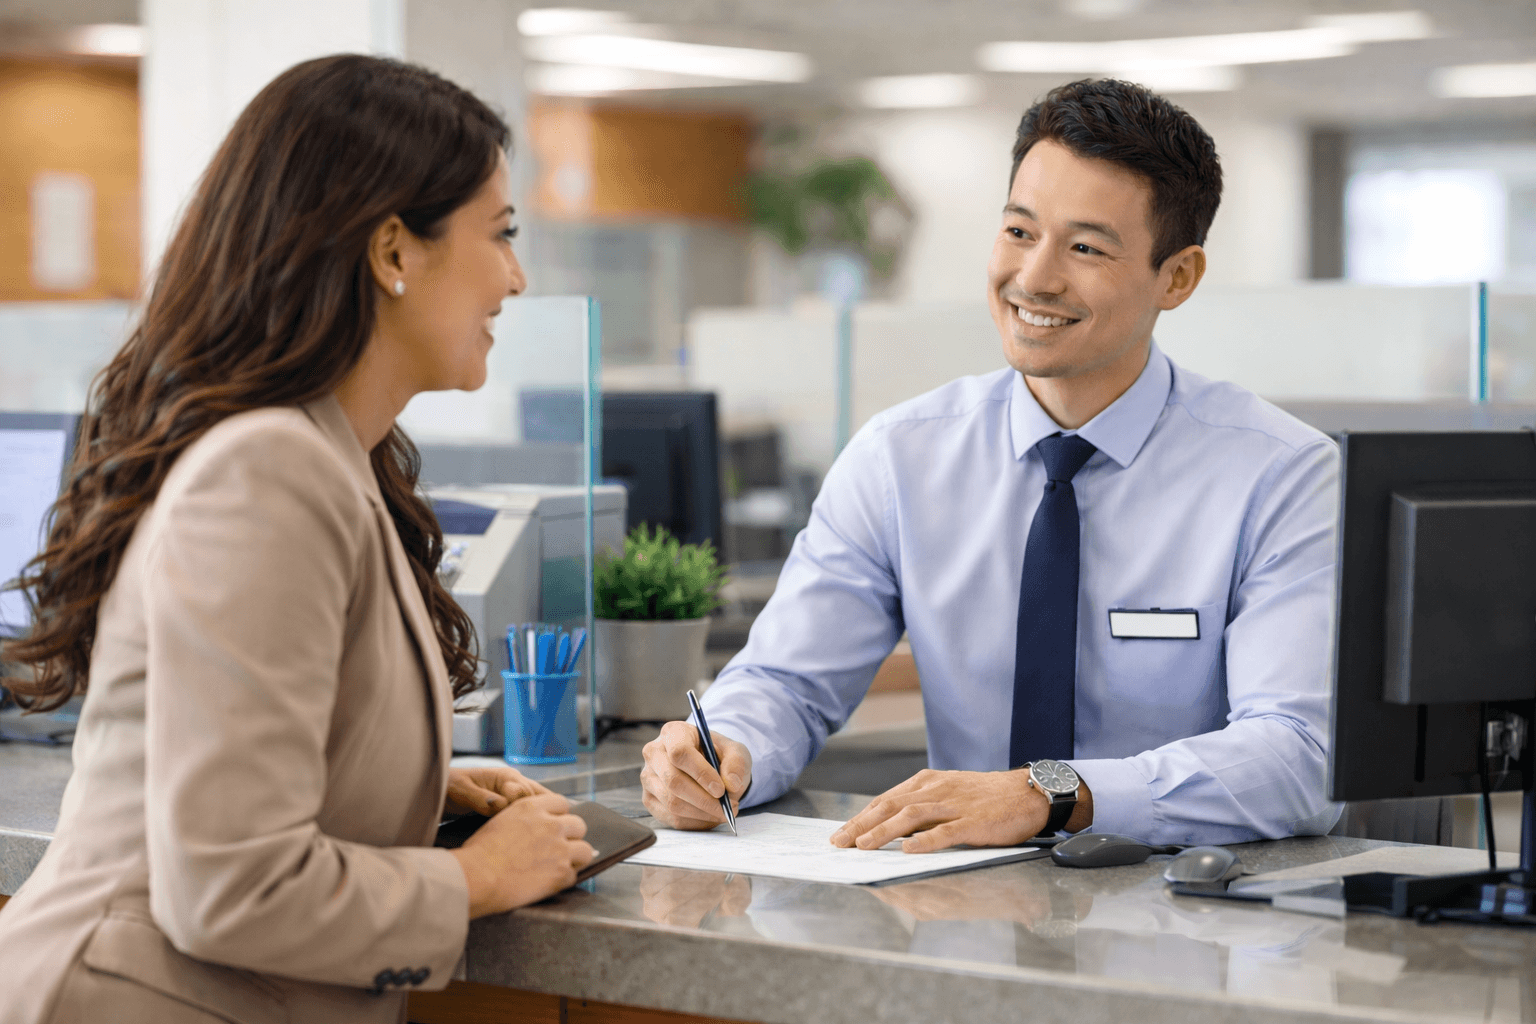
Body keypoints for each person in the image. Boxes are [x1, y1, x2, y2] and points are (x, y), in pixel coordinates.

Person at [0, 55, 593, 1024]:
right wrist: (477, 880)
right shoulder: (266, 472)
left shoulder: (325, 453)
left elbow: (232, 762)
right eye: (501, 234)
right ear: (394, 250)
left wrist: (416, 784)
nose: (517, 278)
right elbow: (231, 888)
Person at [641, 78, 1341, 850]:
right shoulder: (901, 456)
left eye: (1084, 247)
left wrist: (1052, 795)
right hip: (955, 913)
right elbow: (786, 682)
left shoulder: (1281, 474)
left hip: (1188, 922)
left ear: (1176, 277)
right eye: (1018, 231)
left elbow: (1300, 754)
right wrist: (725, 753)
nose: (1034, 277)